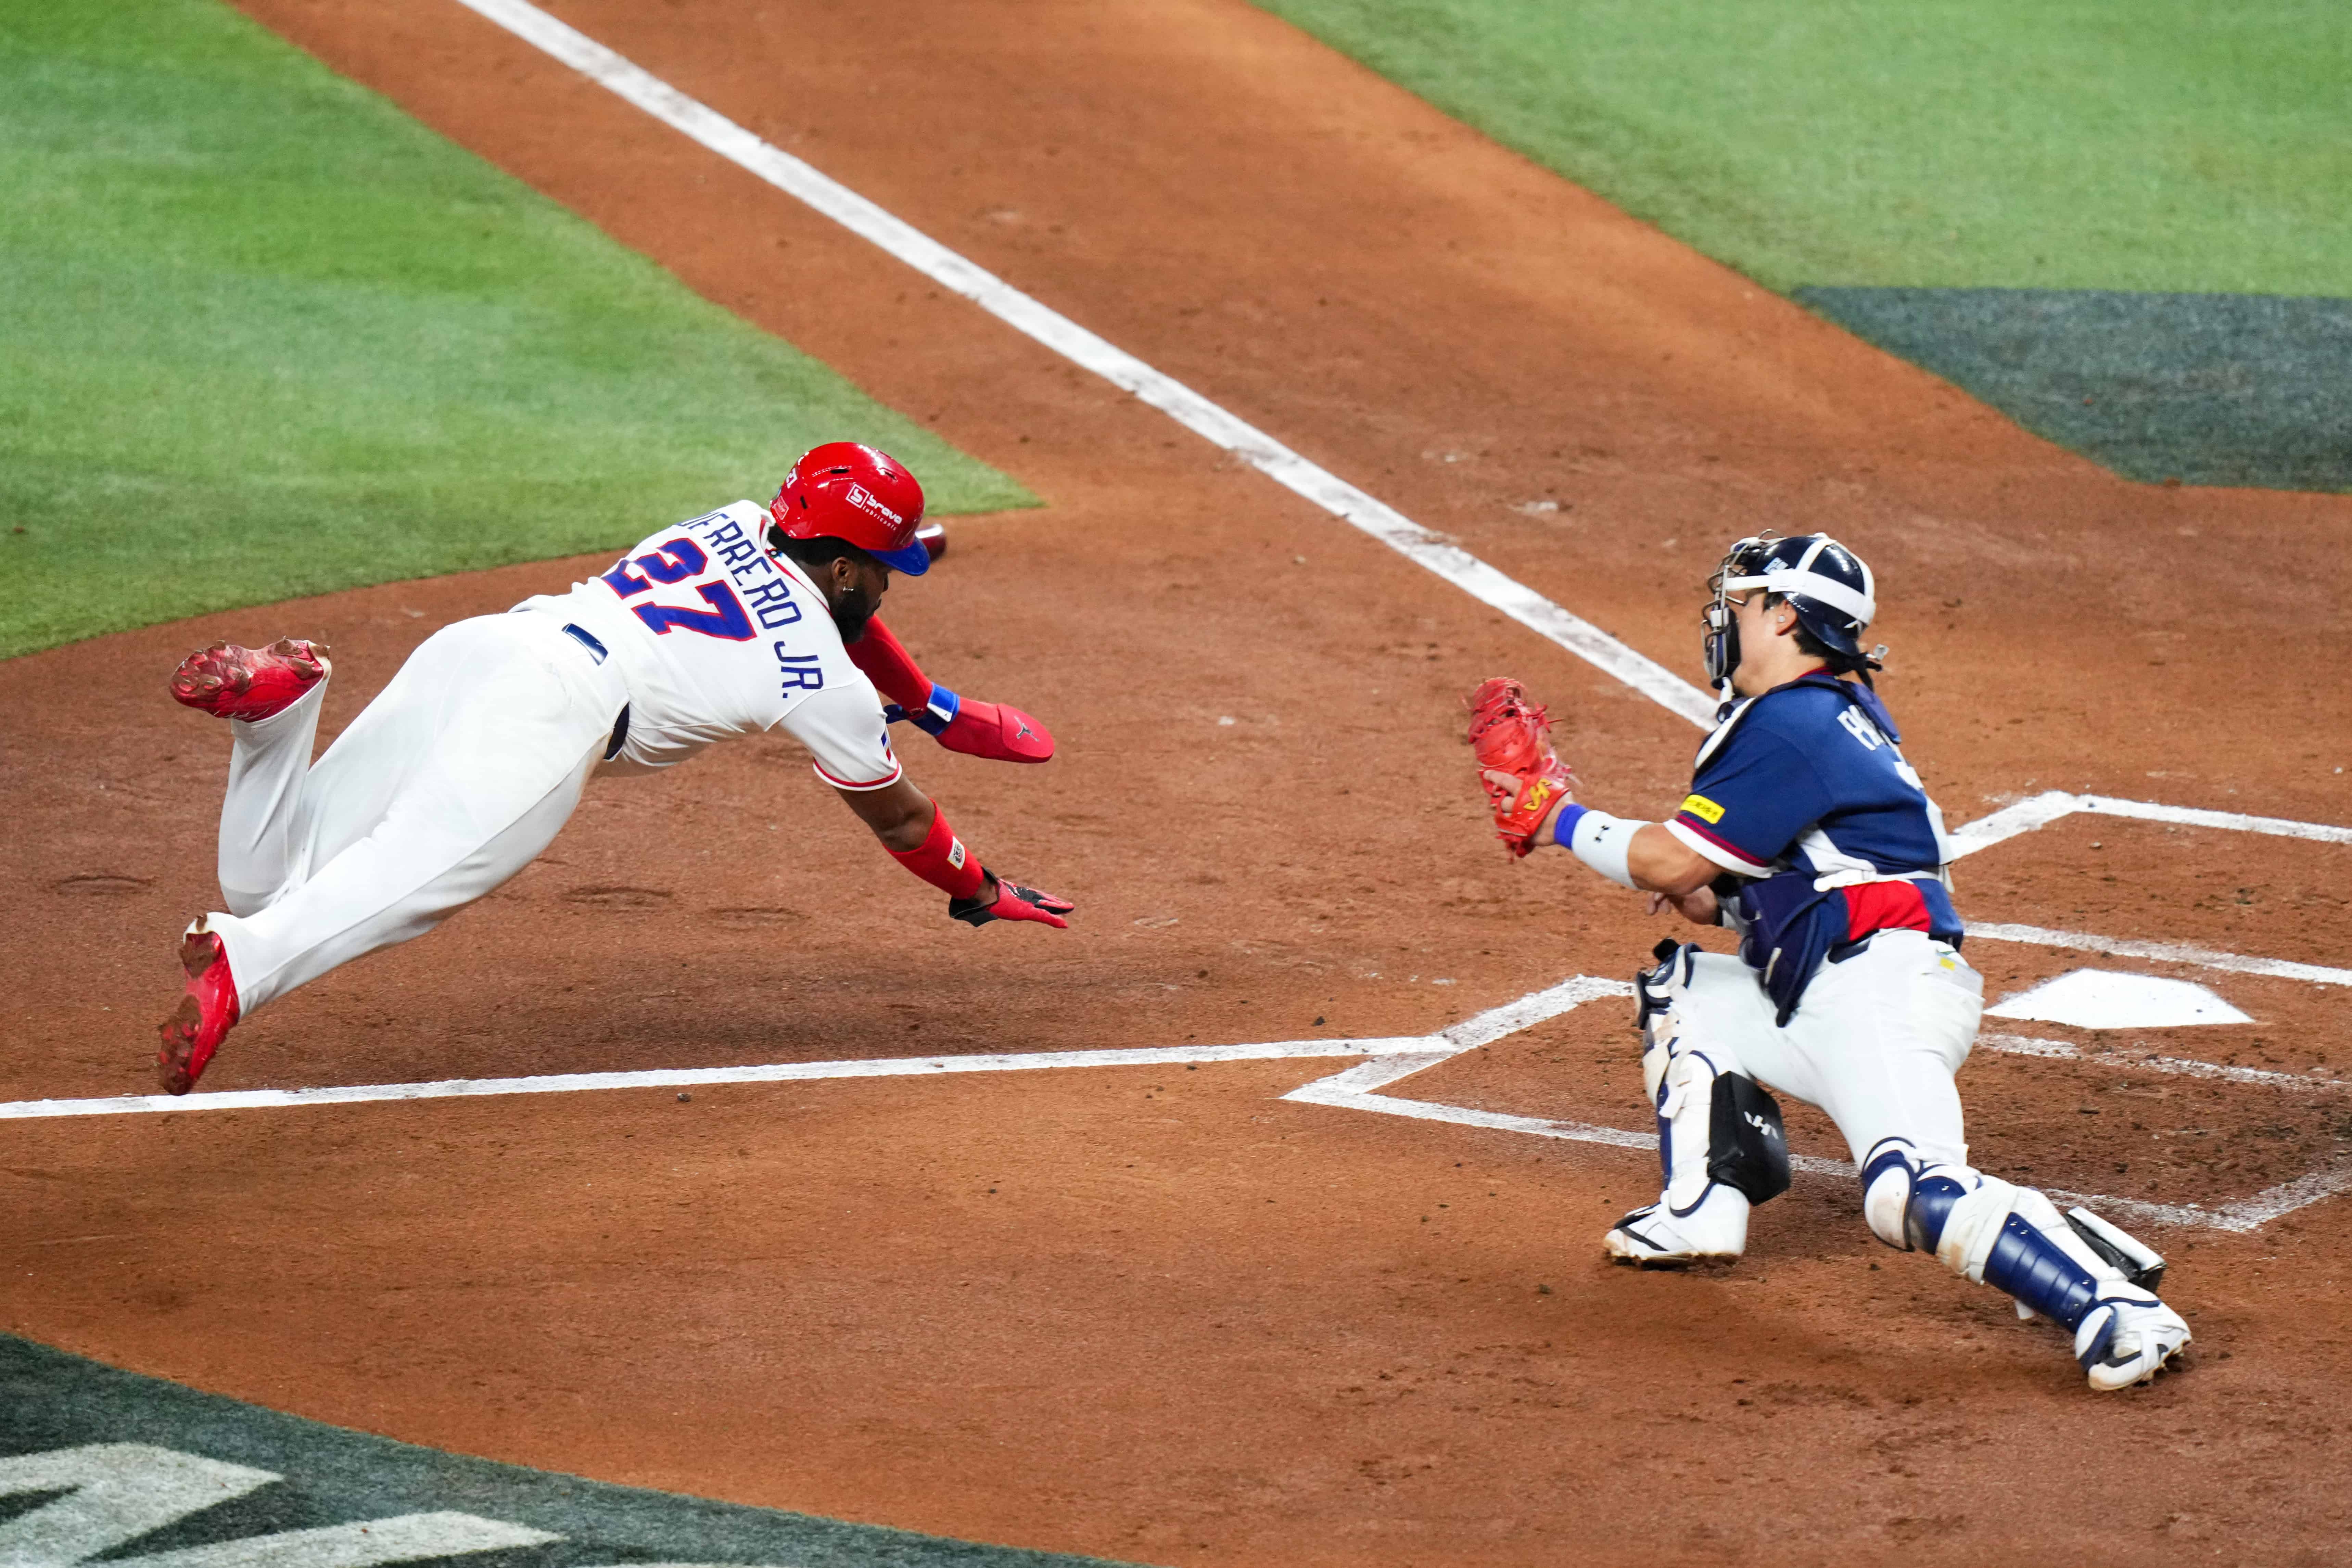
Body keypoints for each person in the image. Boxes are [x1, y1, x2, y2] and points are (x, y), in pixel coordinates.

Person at [1465, 532, 2189, 1391]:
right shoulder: (1824, 712)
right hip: (1832, 978)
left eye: (1738, 602)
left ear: (1782, 613)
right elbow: (1741, 887)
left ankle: (2110, 1300)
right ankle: (1701, 1210)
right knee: (1686, 988)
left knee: (1907, 1195)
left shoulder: (1799, 720)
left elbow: (1670, 860)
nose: (1723, 619)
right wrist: (1710, 895)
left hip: (1878, 988)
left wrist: (1555, 815)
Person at [157, 442, 1072, 1095]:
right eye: (885, 570)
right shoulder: (823, 682)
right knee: (418, 876)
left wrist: (933, 705)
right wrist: (978, 888)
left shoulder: (742, 520)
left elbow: (841, 621)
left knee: (264, 876)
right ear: (842, 568)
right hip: (554, 712)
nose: (888, 586)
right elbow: (905, 820)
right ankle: (250, 963)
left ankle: (279, 714)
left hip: (485, 644)